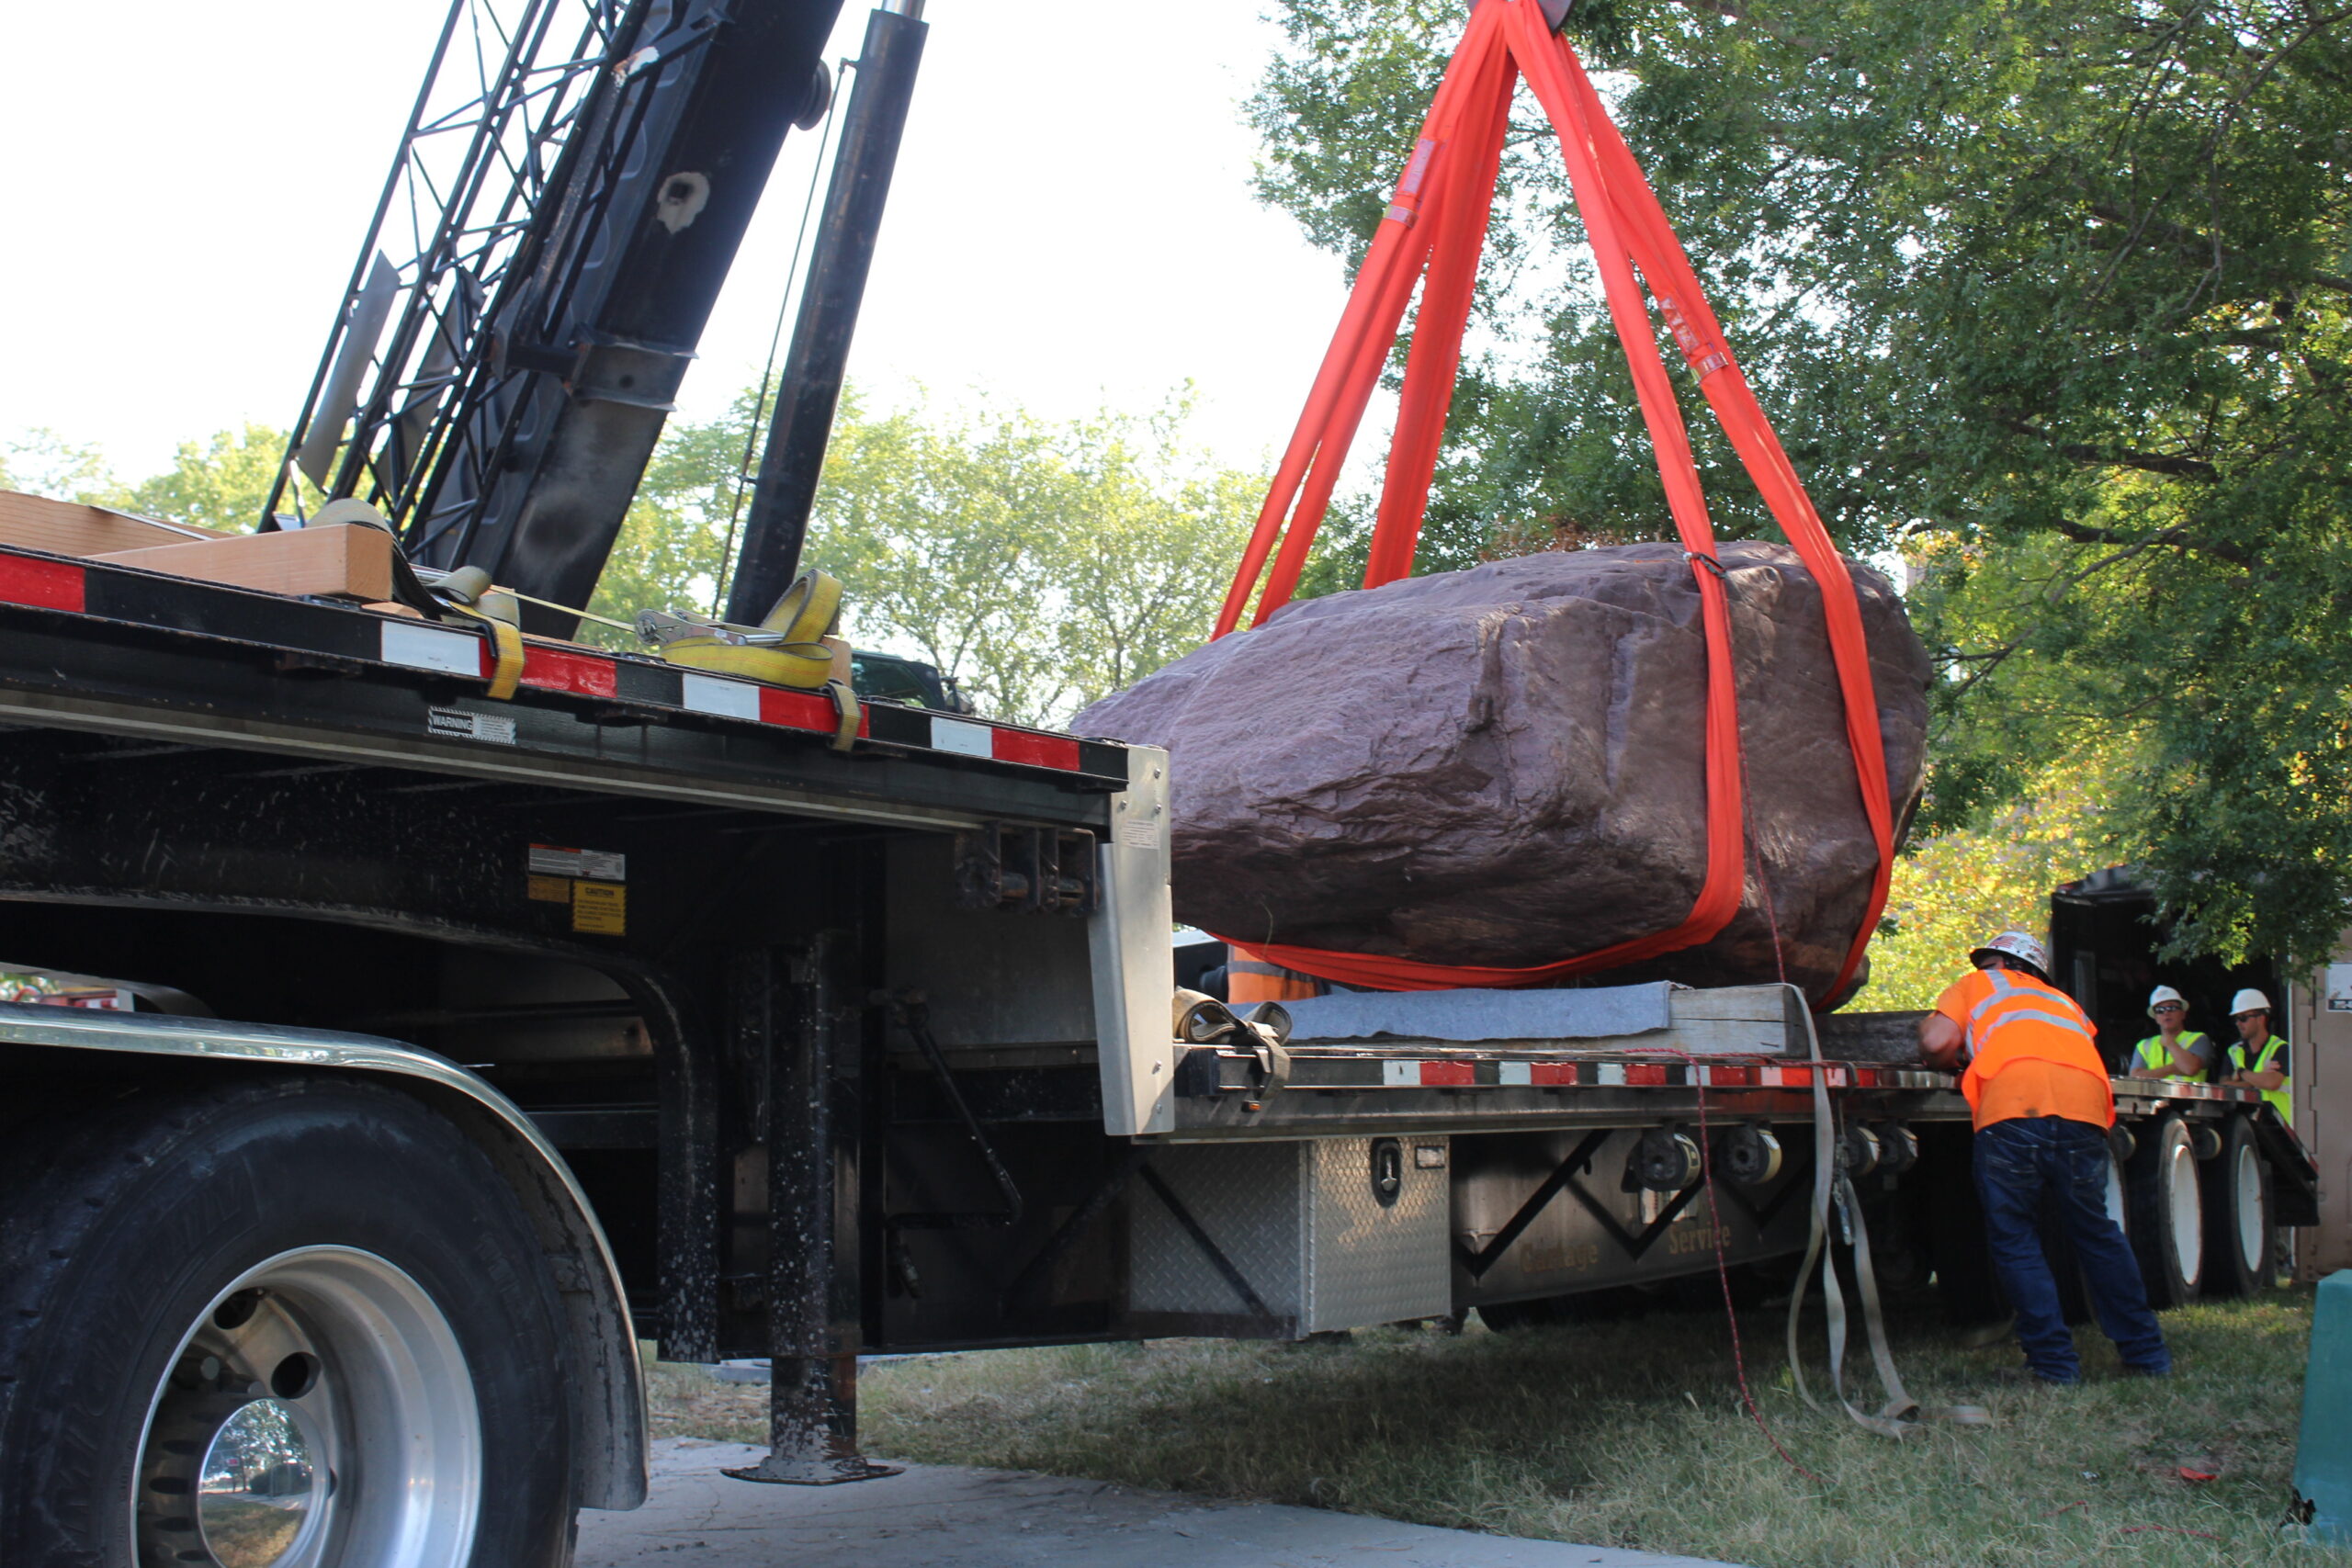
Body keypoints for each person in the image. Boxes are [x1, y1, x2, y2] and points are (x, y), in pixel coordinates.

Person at [1917, 930, 2170, 1384]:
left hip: (2015, 1109)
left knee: (2016, 1239)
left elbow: (1937, 1043)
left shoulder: (1976, 985)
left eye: (1987, 962)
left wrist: (1942, 1050)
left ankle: (2054, 1366)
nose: (1984, 969)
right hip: (2085, 1114)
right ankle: (2147, 1355)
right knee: (2097, 1234)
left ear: (1998, 963)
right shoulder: (2065, 1003)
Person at [2218, 987, 2292, 1124]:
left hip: (2280, 1126)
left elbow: (2271, 1083)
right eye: (2236, 1019)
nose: (2238, 1023)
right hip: (2249, 1125)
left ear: (2260, 1018)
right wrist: (2259, 1079)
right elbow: (2224, 1087)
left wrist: (2241, 1072)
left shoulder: (2281, 1048)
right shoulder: (2234, 1051)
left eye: (2243, 1018)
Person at [2129, 985, 2213, 1082]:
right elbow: (2134, 1078)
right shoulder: (2144, 1045)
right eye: (2160, 1010)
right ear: (2155, 1018)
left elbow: (2190, 1068)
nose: (2166, 1013)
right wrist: (2172, 1068)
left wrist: (2170, 1043)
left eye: (2171, 1008)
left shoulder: (2199, 1038)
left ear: (2183, 1014)